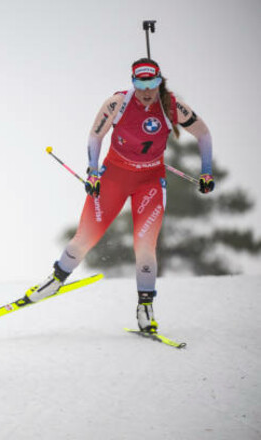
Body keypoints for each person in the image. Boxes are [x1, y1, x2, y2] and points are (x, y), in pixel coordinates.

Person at [25, 58, 214, 332]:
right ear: (133, 82)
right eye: (140, 83)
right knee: (85, 238)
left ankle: (145, 307)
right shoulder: (118, 102)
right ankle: (55, 280)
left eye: (152, 83)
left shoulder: (171, 106)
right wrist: (92, 172)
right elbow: (95, 136)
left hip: (150, 181)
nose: (146, 89)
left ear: (160, 82)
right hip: (114, 176)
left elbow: (203, 134)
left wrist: (206, 172)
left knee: (145, 246)